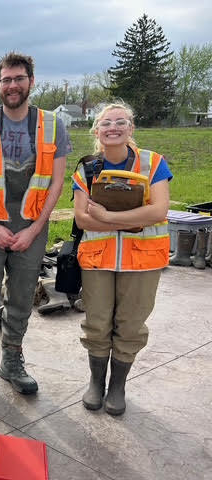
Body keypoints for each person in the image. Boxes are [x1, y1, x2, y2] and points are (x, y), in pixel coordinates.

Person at [0, 52, 71, 403]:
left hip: (31, 228)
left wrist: (35, 228)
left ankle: (11, 361)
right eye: (6, 80)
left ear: (31, 82)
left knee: (22, 297)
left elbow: (56, 184)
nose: (12, 85)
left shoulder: (53, 125)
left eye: (18, 78)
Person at [72, 102, 172, 415]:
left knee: (130, 325)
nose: (113, 127)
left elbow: (159, 210)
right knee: (97, 323)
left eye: (120, 122)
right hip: (99, 259)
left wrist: (108, 216)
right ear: (96, 131)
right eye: (106, 123)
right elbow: (81, 218)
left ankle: (118, 387)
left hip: (142, 260)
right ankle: (96, 382)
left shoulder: (153, 163)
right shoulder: (87, 168)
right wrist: (130, 219)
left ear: (131, 128)